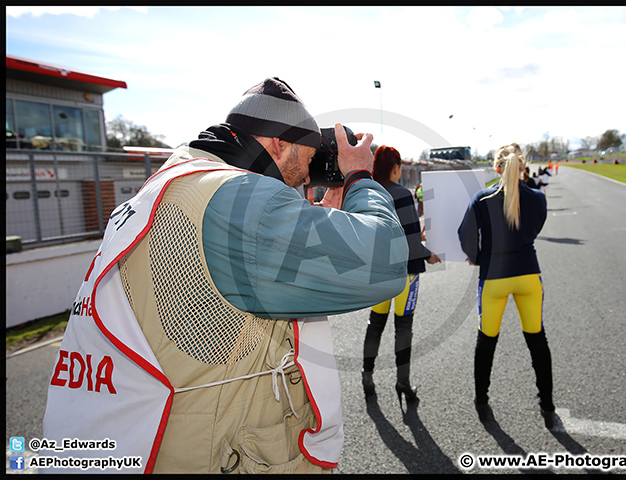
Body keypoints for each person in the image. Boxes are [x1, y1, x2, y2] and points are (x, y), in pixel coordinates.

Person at [42, 77, 409, 474]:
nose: (308, 175)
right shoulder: (241, 198)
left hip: (140, 433)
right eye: (306, 157)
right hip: (214, 451)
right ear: (278, 144)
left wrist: (322, 221)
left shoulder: (174, 183)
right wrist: (359, 178)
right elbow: (382, 264)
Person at [457, 143, 555, 429]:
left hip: (494, 277)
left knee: (487, 341)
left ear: (497, 169)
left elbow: (464, 235)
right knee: (537, 340)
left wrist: (477, 258)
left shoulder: (482, 198)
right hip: (528, 274)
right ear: (523, 167)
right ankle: (547, 406)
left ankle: (481, 402)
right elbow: (535, 227)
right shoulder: (538, 197)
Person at [361, 145, 441, 409]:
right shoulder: (402, 194)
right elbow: (412, 243)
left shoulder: (367, 193)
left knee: (375, 325)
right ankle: (403, 383)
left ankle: (367, 377)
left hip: (377, 272)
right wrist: (429, 253)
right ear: (395, 168)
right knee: (403, 328)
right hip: (405, 273)